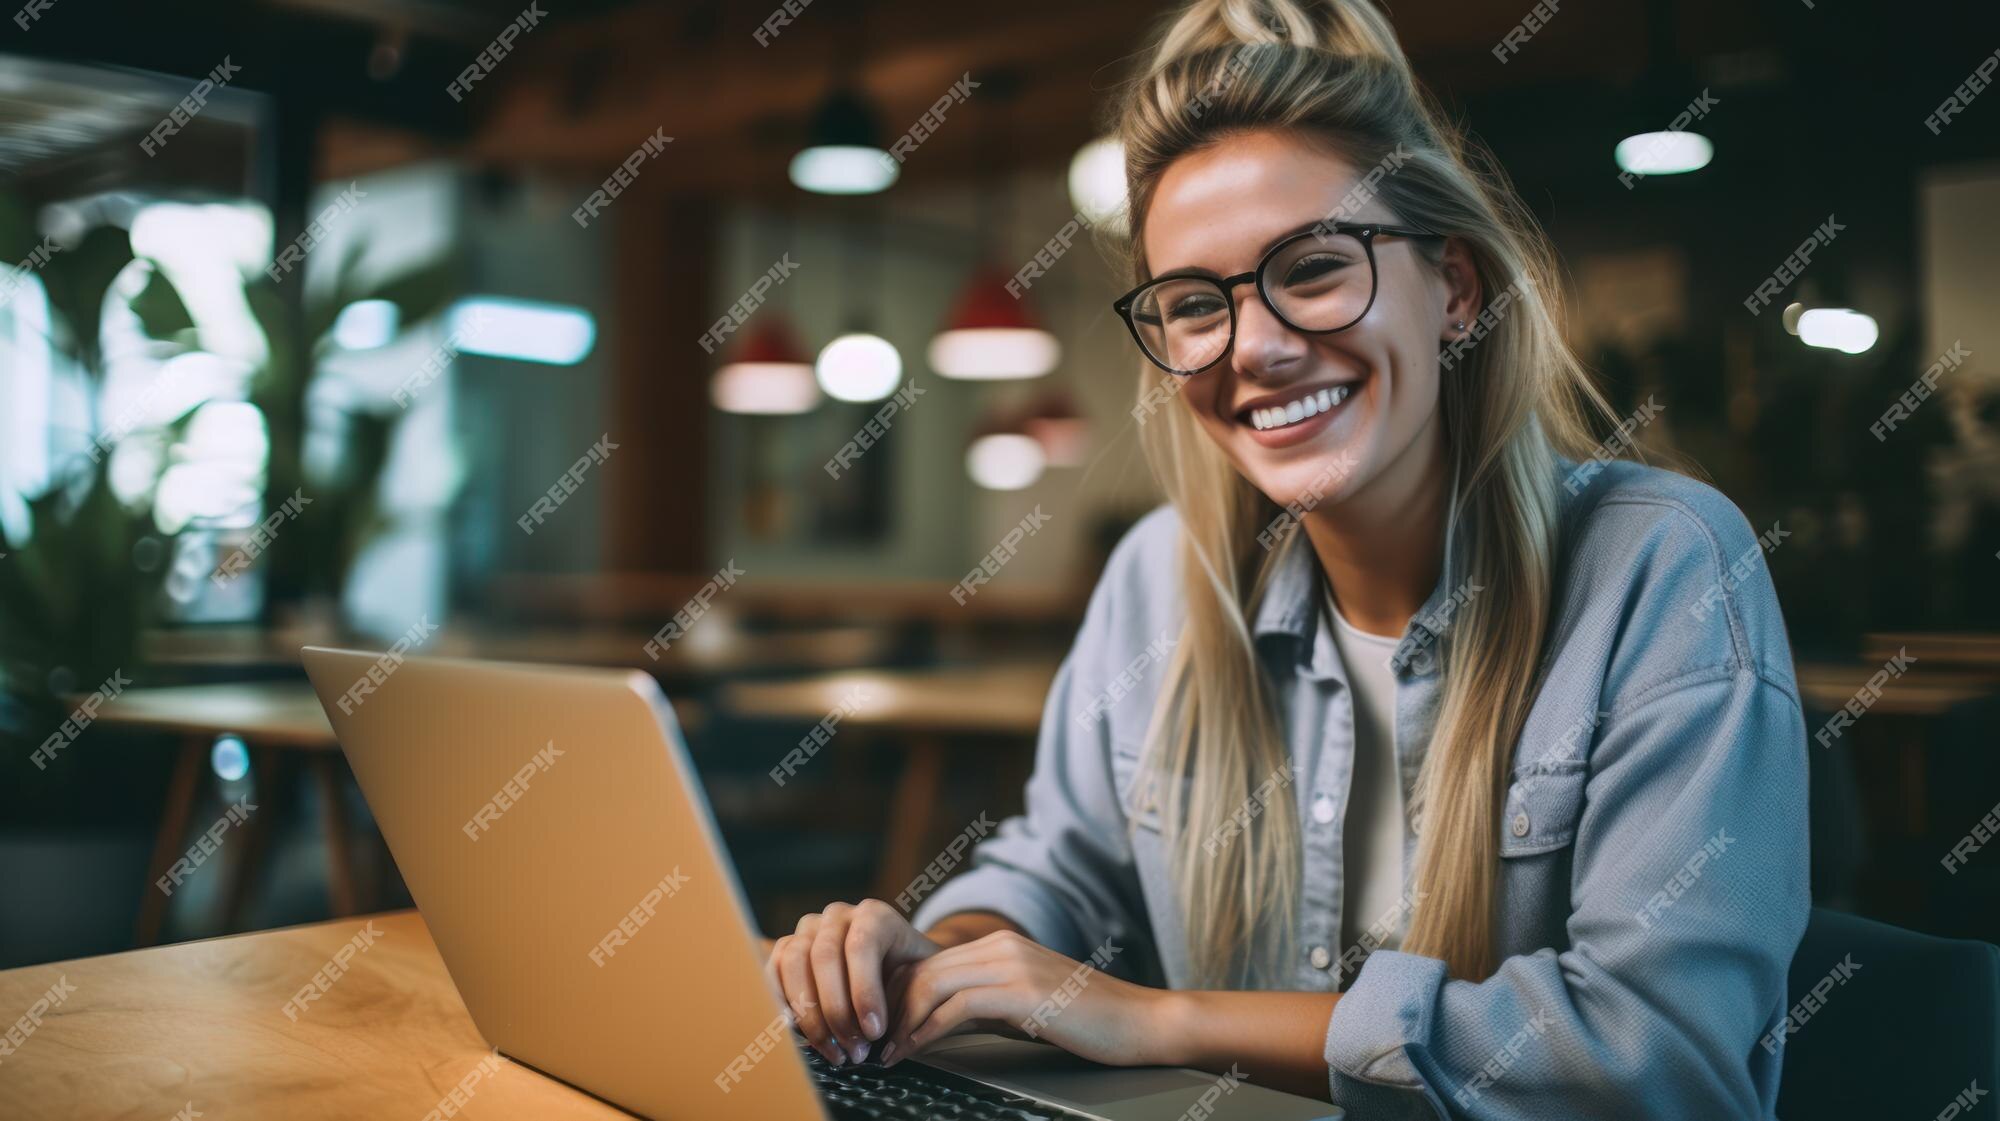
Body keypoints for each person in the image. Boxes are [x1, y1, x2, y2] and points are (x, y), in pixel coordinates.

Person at [764, 0, 1810, 1113]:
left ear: (1452, 287)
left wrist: (1153, 1017)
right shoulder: (1159, 575)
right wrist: (930, 954)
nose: (1251, 345)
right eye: (1192, 303)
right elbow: (1058, 874)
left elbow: (1658, 1055)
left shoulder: (1662, 565)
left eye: (1312, 268)